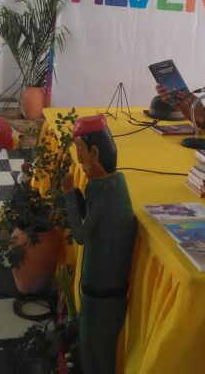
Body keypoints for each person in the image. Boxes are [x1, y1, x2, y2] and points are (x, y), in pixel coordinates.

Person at [63, 114, 137, 374]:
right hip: (96, 291)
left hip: (104, 295)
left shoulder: (109, 191)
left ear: (95, 151)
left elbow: (81, 235)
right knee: (91, 350)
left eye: (80, 150)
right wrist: (76, 196)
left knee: (98, 355)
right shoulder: (106, 185)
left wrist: (69, 198)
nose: (79, 158)